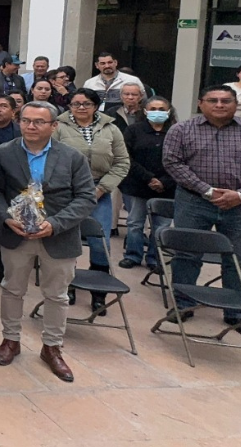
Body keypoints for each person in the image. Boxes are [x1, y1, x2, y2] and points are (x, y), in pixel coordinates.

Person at [0, 101, 97, 382]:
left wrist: (55, 224)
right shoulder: (3, 153)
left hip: (58, 236)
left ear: (54, 126)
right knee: (12, 289)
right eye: (26, 120)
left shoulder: (73, 157)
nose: (31, 126)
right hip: (16, 234)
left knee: (57, 295)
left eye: (38, 122)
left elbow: (86, 198)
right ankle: (10, 340)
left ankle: (52, 347)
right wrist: (5, 218)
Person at [162, 85, 241, 325]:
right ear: (200, 104)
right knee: (187, 254)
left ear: (236, 104)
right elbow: (172, 162)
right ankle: (183, 305)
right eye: (213, 100)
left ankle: (235, 311)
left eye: (226, 100)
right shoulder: (181, 130)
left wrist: (238, 195)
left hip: (238, 205)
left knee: (237, 258)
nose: (219, 105)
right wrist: (206, 190)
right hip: (194, 201)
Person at [54, 87, 130, 315]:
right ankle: (68, 287)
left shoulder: (111, 128)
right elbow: (52, 157)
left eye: (86, 103)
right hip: (65, 192)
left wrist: (101, 188)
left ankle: (99, 294)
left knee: (101, 244)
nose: (80, 108)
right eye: (75, 104)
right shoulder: (58, 126)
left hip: (100, 192)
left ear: (95, 106)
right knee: (68, 240)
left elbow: (122, 162)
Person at [118, 96, 176, 272]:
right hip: (139, 184)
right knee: (135, 222)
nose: (156, 112)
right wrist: (149, 178)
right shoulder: (134, 130)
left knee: (161, 226)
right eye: (153, 109)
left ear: (169, 111)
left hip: (168, 186)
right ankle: (132, 255)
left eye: (161, 109)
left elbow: (182, 160)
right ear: (145, 111)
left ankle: (154, 258)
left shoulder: (176, 131)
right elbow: (126, 156)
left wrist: (164, 181)